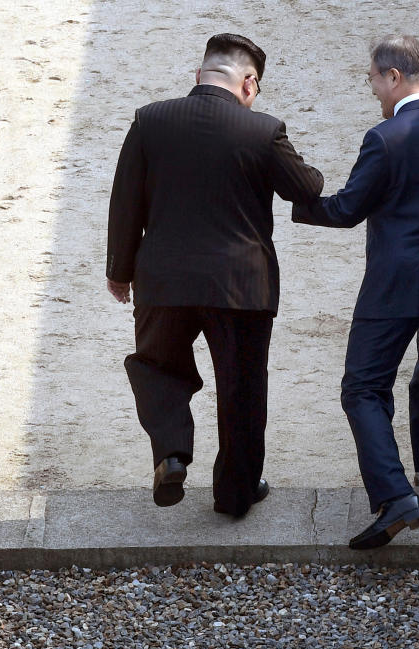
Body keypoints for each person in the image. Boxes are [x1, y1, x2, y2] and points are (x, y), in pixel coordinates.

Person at [292, 35, 419, 549]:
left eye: (373, 80)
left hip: (395, 282)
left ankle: (396, 495)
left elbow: (346, 210)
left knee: (362, 387)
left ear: (394, 77)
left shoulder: (385, 137)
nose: (373, 90)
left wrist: (299, 199)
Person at [107, 33, 323, 517]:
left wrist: (119, 272)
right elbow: (305, 188)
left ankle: (171, 452)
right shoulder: (262, 131)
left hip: (163, 281)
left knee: (156, 366)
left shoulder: (149, 121)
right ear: (249, 83)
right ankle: (235, 493)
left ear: (198, 75)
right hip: (242, 286)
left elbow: (125, 203)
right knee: (242, 388)